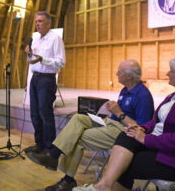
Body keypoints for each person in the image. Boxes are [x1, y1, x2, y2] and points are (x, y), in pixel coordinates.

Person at [73, 55, 175, 191]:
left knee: (127, 163)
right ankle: (103, 186)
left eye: (172, 71)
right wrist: (143, 128)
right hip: (158, 143)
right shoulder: (173, 96)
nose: (167, 73)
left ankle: (103, 186)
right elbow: (155, 122)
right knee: (126, 135)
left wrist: (147, 139)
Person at [26, 59, 154, 191]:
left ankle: (67, 179)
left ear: (129, 76)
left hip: (123, 131)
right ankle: (53, 155)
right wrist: (112, 110)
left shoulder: (143, 96)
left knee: (78, 137)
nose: (116, 74)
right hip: (109, 123)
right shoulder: (125, 90)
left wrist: (119, 113)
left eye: (119, 72)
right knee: (77, 118)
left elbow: (140, 129)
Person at [24, 11, 66, 153]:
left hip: (46, 80)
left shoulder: (55, 39)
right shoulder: (35, 40)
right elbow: (31, 61)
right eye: (36, 21)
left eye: (40, 21)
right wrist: (29, 55)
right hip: (35, 78)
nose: (37, 24)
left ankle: (49, 147)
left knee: (45, 113)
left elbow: (61, 62)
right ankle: (40, 144)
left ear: (49, 23)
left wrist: (42, 59)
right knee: (34, 114)